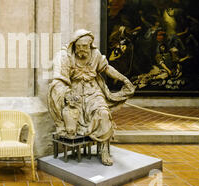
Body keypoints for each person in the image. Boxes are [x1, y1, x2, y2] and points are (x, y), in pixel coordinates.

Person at [47, 29, 135, 166]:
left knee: (104, 113)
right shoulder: (65, 56)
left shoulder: (95, 55)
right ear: (74, 44)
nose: (82, 49)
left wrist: (124, 80)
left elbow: (107, 68)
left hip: (93, 91)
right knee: (72, 114)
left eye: (85, 46)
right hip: (74, 93)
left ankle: (104, 149)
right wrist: (66, 93)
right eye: (79, 46)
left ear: (90, 45)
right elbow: (58, 80)